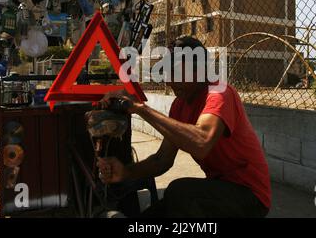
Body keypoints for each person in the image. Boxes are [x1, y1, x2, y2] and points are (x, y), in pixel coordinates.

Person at [93, 36, 271, 217]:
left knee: (179, 191)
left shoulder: (219, 93)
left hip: (250, 197)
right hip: (218, 191)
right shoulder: (179, 105)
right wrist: (124, 172)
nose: (169, 81)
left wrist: (141, 109)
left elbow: (201, 142)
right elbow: (161, 160)